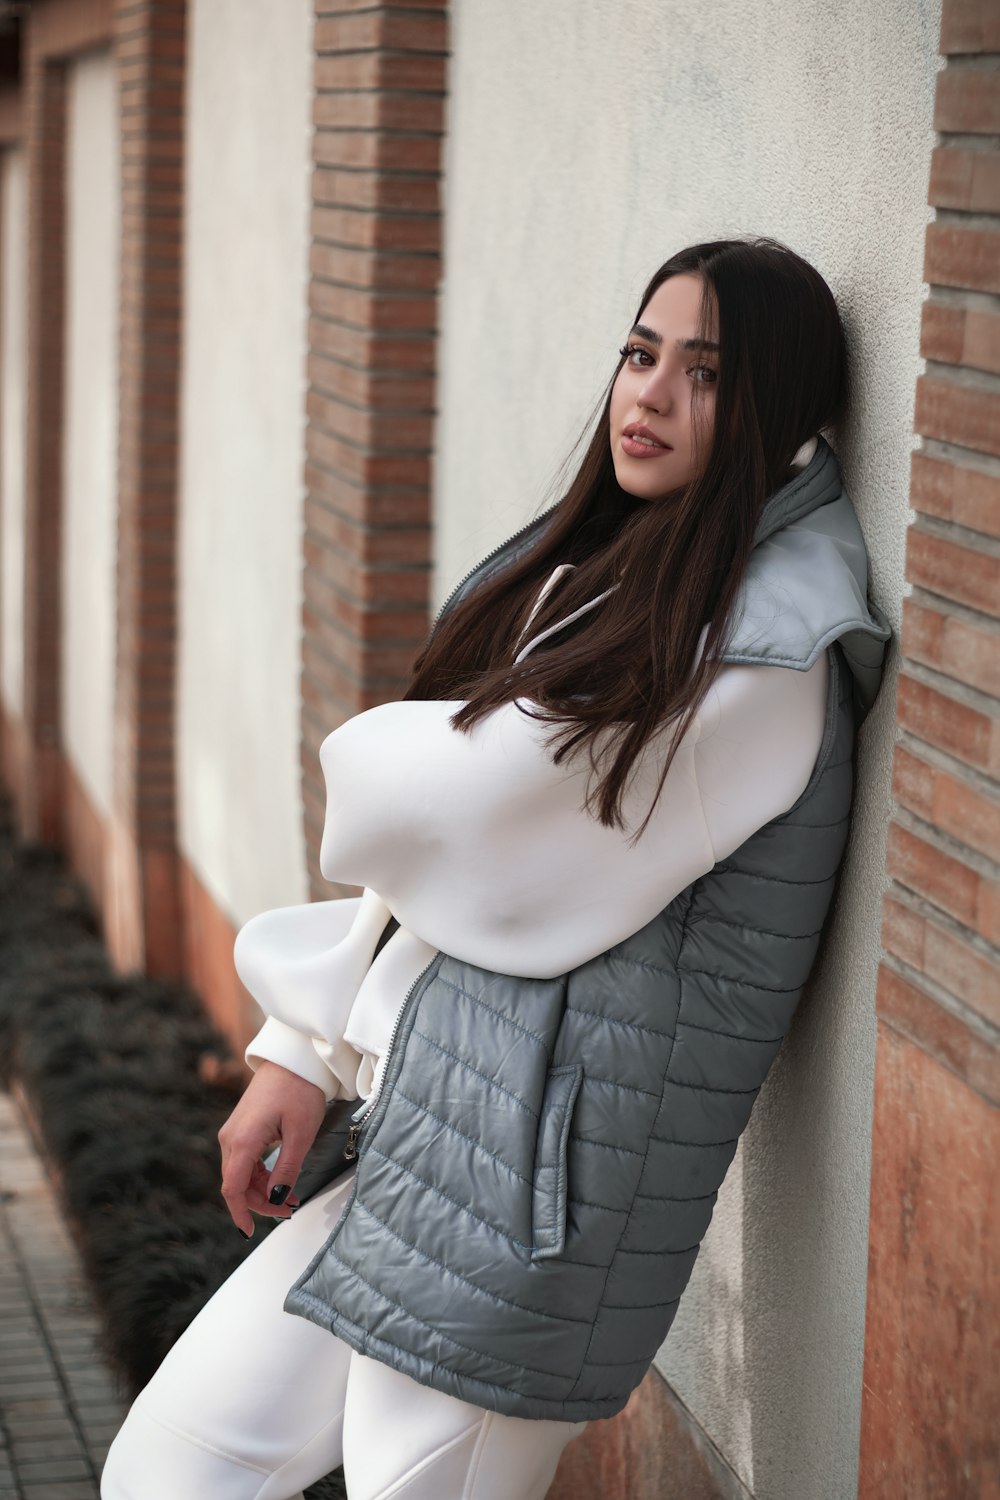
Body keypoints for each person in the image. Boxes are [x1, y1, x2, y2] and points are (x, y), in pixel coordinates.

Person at [101, 238, 890, 1500]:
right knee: (171, 1471)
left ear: (783, 409)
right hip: (439, 1131)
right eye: (641, 355)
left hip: (538, 1205)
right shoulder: (633, 574)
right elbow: (452, 855)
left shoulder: (764, 658)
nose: (647, 395)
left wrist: (392, 748)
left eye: (705, 374)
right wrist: (298, 1053)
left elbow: (460, 819)